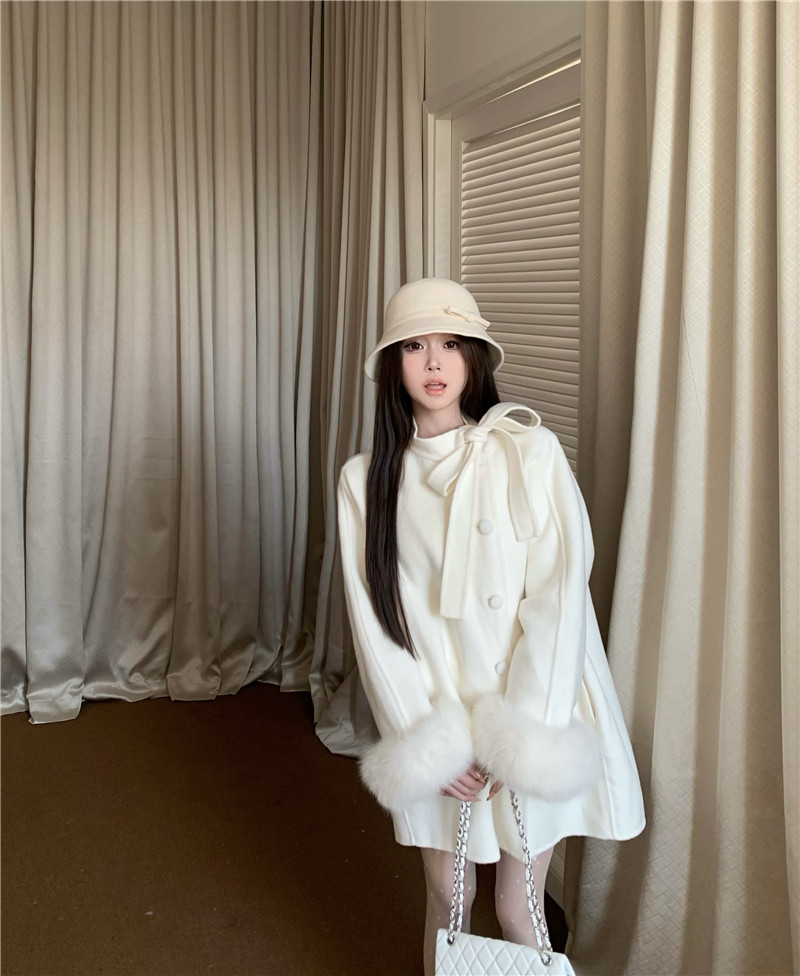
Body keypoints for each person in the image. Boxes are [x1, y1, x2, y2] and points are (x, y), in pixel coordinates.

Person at [337, 278, 645, 975]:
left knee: (517, 904)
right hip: (435, 714)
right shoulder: (365, 480)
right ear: (392, 363)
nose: (434, 362)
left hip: (530, 707)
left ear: (475, 357)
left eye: (450, 344)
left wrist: (519, 738)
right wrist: (428, 741)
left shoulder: (527, 452)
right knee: (448, 897)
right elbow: (376, 625)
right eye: (413, 346)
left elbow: (559, 597)